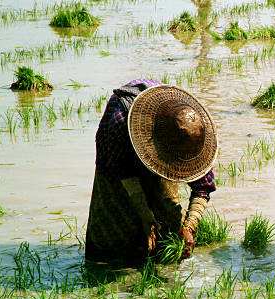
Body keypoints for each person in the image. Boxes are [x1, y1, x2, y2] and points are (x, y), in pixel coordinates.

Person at [85, 79, 218, 263]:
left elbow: (204, 186)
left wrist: (190, 227)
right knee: (111, 243)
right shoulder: (118, 122)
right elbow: (123, 172)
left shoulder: (193, 134)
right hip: (119, 156)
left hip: (163, 138)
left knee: (170, 230)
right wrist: (145, 216)